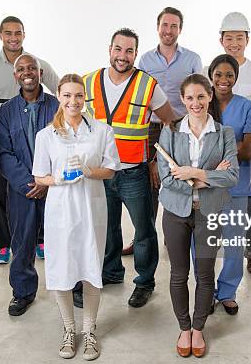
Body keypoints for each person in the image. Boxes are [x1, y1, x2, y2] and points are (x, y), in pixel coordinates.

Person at [83, 28, 175, 308]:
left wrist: (155, 161)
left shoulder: (148, 85)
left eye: (129, 51)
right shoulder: (88, 82)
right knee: (107, 226)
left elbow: (170, 123)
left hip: (133, 172)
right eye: (118, 49)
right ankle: (111, 272)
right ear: (109, 49)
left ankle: (145, 281)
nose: (123, 56)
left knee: (143, 230)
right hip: (101, 171)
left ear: (136, 53)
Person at [33, 74, 120, 360]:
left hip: (92, 207)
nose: (74, 101)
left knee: (91, 267)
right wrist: (58, 179)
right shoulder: (46, 136)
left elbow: (110, 169)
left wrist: (87, 171)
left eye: (79, 95)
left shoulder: (101, 131)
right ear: (58, 95)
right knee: (62, 270)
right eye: (67, 95)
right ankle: (70, 330)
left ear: (85, 98)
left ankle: (90, 330)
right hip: (60, 211)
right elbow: (39, 177)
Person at [157, 73, 238, 357]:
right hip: (176, 212)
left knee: (205, 275)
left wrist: (194, 173)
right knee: (179, 274)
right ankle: (183, 327)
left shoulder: (224, 133)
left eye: (201, 97)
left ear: (210, 96)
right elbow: (166, 178)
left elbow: (232, 176)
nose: (195, 103)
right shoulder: (170, 131)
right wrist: (208, 177)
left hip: (209, 212)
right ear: (182, 99)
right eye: (190, 97)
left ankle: (199, 328)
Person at [0, 16, 60, 263]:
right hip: (5, 130)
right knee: (5, 196)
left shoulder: (37, 63)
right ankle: (5, 243)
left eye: (18, 33)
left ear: (24, 35)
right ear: (0, 35)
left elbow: (59, 89)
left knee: (42, 196)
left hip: (37, 128)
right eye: (8, 33)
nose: (13, 37)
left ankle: (41, 239)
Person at [127, 7, 203, 256]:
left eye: (174, 26)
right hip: (150, 129)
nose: (168, 30)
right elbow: (138, 94)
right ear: (157, 27)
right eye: (165, 25)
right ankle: (143, 240)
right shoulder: (145, 60)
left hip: (181, 130)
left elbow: (199, 95)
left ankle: (176, 235)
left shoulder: (192, 59)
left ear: (180, 29)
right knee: (149, 186)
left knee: (179, 181)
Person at [204, 12, 251, 275]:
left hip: (245, 147)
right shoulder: (207, 71)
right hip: (209, 153)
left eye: (240, 38)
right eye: (229, 37)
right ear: (221, 39)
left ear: (248, 39)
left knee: (249, 201)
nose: (234, 43)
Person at [0, 53, 59, 316]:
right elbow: (4, 153)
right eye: (22, 69)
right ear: (15, 75)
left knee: (62, 239)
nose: (27, 72)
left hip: (54, 188)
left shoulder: (57, 107)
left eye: (32, 68)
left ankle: (72, 286)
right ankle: (22, 291)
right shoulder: (6, 112)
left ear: (41, 73)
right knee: (22, 242)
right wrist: (28, 182)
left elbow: (66, 146)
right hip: (22, 190)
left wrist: (46, 182)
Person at [204, 54, 251, 315]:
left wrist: (213, 153)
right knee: (202, 244)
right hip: (204, 187)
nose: (223, 80)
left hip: (237, 187)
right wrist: (229, 149)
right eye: (218, 74)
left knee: (234, 244)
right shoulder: (201, 103)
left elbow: (248, 151)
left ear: (236, 78)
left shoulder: (247, 106)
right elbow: (195, 148)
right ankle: (205, 291)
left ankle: (227, 291)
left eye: (229, 75)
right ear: (211, 76)